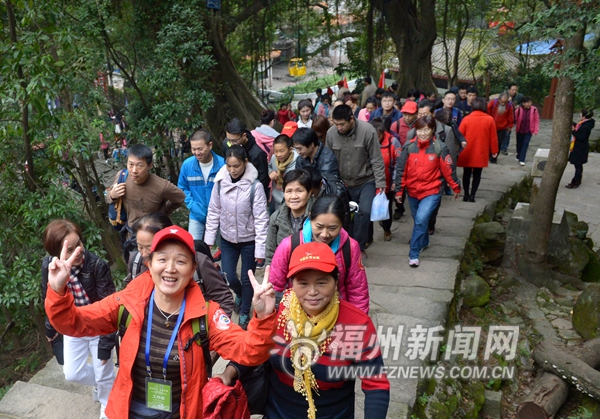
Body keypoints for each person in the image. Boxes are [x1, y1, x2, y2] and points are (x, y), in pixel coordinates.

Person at [45, 225, 276, 419]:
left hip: (180, 412)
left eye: (181, 261)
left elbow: (250, 351)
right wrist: (57, 290)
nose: (170, 269)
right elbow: (74, 323)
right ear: (149, 263)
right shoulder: (128, 302)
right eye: (162, 259)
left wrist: (264, 318)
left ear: (193, 268)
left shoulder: (206, 315)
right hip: (128, 410)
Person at [217, 242, 389, 419]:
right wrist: (228, 373)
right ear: (291, 284)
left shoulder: (357, 323)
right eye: (303, 283)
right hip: (277, 412)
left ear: (336, 282)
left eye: (321, 282)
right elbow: (253, 350)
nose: (312, 292)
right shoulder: (277, 312)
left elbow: (376, 385)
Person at [41, 220, 116, 419]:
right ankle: (107, 385)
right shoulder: (49, 266)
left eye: (79, 244)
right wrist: (51, 329)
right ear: (56, 252)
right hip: (72, 326)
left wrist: (107, 343)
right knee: (72, 373)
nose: (78, 251)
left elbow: (110, 307)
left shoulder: (97, 265)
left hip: (98, 327)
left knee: (103, 372)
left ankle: (107, 405)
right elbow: (48, 297)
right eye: (71, 248)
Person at [269, 194, 369, 313]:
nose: (324, 234)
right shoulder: (290, 245)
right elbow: (275, 287)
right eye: (319, 226)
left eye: (332, 228)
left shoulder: (350, 247)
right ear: (311, 218)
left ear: (342, 224)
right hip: (296, 317)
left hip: (336, 316)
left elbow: (357, 290)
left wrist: (359, 323)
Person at [205, 145, 269, 329]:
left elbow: (261, 219)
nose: (232, 170)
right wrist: (209, 241)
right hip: (227, 239)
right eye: (229, 166)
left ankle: (244, 312)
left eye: (236, 166)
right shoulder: (219, 183)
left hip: (249, 240)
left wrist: (260, 250)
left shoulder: (254, 187)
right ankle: (239, 293)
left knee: (248, 278)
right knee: (229, 276)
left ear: (245, 163)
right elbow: (214, 211)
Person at [125, 213, 235, 318]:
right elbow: (129, 295)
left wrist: (213, 330)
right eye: (140, 247)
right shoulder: (136, 262)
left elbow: (223, 298)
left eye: (149, 248)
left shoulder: (200, 263)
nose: (144, 254)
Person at [395, 116, 461, 267]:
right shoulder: (409, 147)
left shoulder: (439, 148)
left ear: (432, 130)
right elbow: (400, 170)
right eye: (419, 130)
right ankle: (424, 241)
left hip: (432, 191)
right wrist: (399, 191)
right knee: (419, 220)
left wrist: (455, 187)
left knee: (420, 219)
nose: (422, 133)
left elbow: (448, 170)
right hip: (412, 191)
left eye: (426, 130)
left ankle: (414, 253)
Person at [327, 104, 386, 252]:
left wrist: (381, 183)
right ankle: (348, 244)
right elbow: (328, 160)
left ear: (351, 119)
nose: (339, 128)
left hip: (366, 180)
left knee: (364, 212)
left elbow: (376, 159)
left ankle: (358, 249)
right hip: (343, 181)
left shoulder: (367, 131)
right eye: (336, 124)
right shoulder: (331, 134)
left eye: (342, 124)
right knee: (345, 215)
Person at [107, 143, 185, 230]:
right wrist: (112, 195)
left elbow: (180, 197)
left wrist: (162, 213)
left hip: (152, 235)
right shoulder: (122, 176)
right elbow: (108, 197)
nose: (134, 170)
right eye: (131, 164)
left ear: (150, 166)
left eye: (140, 166)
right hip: (130, 234)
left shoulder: (161, 186)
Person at [178, 129, 225, 240]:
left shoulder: (223, 165)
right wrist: (192, 205)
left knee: (224, 249)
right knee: (193, 248)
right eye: (193, 149)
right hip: (196, 214)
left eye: (200, 149)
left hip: (220, 216)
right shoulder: (187, 165)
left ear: (210, 145)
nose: (197, 153)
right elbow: (182, 188)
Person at [265, 170, 312, 264]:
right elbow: (270, 253)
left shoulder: (317, 217)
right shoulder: (276, 218)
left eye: (299, 191)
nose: (293, 196)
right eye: (289, 191)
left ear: (309, 193)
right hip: (284, 272)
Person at [457, 97, 499, 201]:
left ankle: (466, 194)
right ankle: (472, 196)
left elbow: (459, 135)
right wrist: (494, 151)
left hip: (467, 150)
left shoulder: (466, 119)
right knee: (477, 174)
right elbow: (493, 137)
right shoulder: (489, 119)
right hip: (481, 150)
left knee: (466, 173)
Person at [222, 118, 270, 197]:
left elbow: (263, 180)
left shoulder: (257, 154)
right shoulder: (226, 144)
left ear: (244, 136)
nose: (231, 144)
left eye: (234, 141)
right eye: (228, 140)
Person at [370, 118, 401, 241]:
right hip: (368, 182)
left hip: (386, 183)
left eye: (378, 136)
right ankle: (367, 238)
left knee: (385, 209)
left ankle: (387, 229)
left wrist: (395, 181)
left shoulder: (393, 142)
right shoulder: (366, 141)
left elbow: (398, 164)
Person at [269, 134, 300, 211]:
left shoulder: (298, 161)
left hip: (292, 199)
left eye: (282, 151)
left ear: (290, 149)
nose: (278, 155)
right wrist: (270, 172)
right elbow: (269, 167)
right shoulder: (273, 158)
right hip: (277, 197)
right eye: (276, 151)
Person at [566, 109, 595, 189]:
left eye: (581, 114)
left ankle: (576, 181)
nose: (579, 115)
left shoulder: (586, 126)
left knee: (578, 165)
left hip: (580, 148)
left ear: (584, 116)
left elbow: (582, 137)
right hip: (579, 147)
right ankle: (577, 180)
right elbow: (579, 128)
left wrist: (573, 131)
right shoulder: (585, 123)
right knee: (578, 165)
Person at [487, 92, 514, 159]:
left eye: (504, 103)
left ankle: (494, 158)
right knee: (489, 142)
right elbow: (487, 111)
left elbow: (510, 116)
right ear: (499, 100)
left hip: (502, 128)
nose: (503, 104)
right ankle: (488, 155)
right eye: (501, 102)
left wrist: (510, 126)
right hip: (491, 126)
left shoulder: (509, 106)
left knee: (498, 143)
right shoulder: (493, 103)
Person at [514, 96, 540, 166]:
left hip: (529, 130)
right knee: (519, 144)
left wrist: (536, 130)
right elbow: (514, 119)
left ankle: (522, 159)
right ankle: (518, 155)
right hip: (520, 130)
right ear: (523, 103)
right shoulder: (518, 110)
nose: (529, 104)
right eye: (527, 103)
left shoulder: (534, 109)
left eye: (530, 103)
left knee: (525, 144)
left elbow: (536, 120)